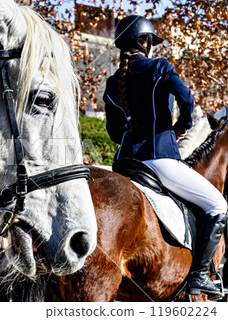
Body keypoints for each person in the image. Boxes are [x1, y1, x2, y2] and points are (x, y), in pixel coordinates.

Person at [103, 15, 228, 297]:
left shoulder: (112, 84)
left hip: (124, 162)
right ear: (144, 41)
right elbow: (187, 100)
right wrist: (180, 128)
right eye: (150, 41)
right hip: (160, 159)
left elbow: (113, 131)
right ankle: (198, 277)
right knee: (218, 205)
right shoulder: (159, 66)